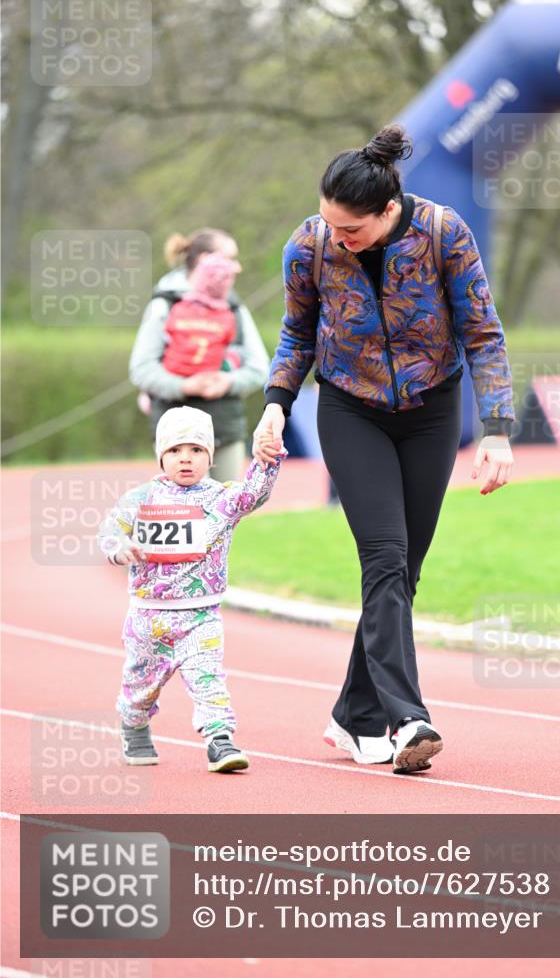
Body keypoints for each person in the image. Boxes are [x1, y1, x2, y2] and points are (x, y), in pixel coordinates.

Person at [253, 124, 515, 775]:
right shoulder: (308, 245)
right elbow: (296, 333)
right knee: (385, 555)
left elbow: (481, 331)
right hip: (348, 408)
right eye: (328, 224)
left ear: (388, 210)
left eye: (351, 230)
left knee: (401, 574)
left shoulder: (442, 232)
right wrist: (274, 406)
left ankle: (353, 716)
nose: (336, 238)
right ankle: (408, 720)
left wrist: (497, 427)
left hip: (431, 411)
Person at [98, 406, 285, 773]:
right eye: (176, 451)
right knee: (141, 685)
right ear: (161, 455)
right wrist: (121, 550)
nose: (186, 459)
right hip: (148, 616)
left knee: (208, 678)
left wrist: (268, 460)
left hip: (201, 614)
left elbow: (254, 495)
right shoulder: (141, 498)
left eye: (197, 450)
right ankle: (134, 724)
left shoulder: (222, 499)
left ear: (210, 456)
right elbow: (109, 531)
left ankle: (220, 739)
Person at [130, 228, 270, 482]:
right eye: (229, 258)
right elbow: (141, 369)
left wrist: (228, 381)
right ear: (206, 259)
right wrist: (184, 386)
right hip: (175, 430)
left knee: (226, 512)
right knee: (186, 513)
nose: (237, 267)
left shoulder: (235, 308)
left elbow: (259, 367)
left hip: (225, 425)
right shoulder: (164, 305)